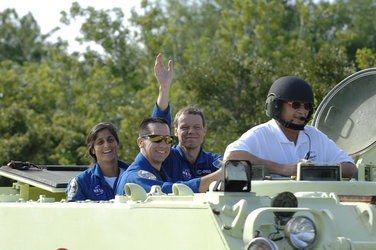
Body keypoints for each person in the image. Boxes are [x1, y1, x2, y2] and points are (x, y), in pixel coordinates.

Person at [224, 76, 357, 178]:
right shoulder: (261, 134)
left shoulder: (314, 135)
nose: (302, 111)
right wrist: (283, 169)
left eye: (307, 106)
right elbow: (232, 156)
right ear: (276, 106)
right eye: (295, 105)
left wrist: (314, 171)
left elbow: (350, 168)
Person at [151, 53, 222, 182]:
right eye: (185, 127)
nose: (191, 132)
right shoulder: (166, 157)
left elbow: (236, 170)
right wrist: (164, 88)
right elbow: (158, 125)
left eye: (196, 127)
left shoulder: (214, 162)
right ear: (176, 131)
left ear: (204, 130)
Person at [116, 117, 221, 194]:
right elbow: (171, 192)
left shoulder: (162, 173)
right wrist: (219, 175)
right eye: (156, 139)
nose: (163, 145)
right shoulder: (134, 177)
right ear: (140, 142)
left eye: (168, 139)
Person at [65, 123, 129, 201]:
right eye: (100, 142)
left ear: (117, 144)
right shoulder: (81, 182)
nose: (106, 145)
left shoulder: (134, 176)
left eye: (110, 140)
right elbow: (74, 212)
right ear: (92, 150)